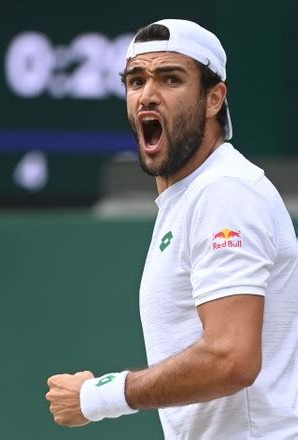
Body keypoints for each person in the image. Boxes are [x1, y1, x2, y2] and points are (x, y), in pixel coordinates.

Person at [46, 19, 298, 439]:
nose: (148, 94)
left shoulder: (225, 193)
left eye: (171, 78)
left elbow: (232, 358)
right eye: (136, 80)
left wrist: (98, 397)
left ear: (213, 98)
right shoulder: (192, 196)